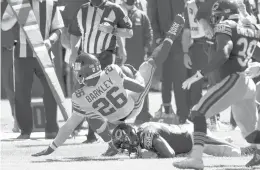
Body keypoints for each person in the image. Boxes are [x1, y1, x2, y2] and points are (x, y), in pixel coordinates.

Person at [31, 14, 185, 157]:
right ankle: (171, 36)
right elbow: (138, 87)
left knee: (91, 117)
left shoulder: (80, 97)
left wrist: (51, 148)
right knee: (149, 63)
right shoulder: (111, 71)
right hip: (132, 105)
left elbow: (68, 126)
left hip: (115, 118)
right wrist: (134, 75)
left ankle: (112, 145)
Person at [173, 0, 260, 170]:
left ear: (225, 14)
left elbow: (224, 53)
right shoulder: (251, 29)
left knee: (198, 113)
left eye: (217, 16)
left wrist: (199, 75)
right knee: (250, 133)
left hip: (233, 80)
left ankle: (196, 159)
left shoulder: (226, 26)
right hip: (246, 83)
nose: (215, 21)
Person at [68, 0, 133, 143]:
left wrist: (114, 31)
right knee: (80, 92)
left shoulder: (115, 9)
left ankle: (93, 134)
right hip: (84, 57)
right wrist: (73, 51)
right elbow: (74, 32)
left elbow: (129, 32)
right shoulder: (82, 9)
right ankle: (78, 128)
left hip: (104, 56)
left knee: (98, 93)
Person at [1, 0, 64, 139]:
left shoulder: (50, 4)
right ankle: (25, 131)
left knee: (50, 92)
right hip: (22, 55)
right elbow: (4, 25)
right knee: (22, 94)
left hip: (45, 54)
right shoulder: (17, 3)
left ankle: (52, 129)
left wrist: (50, 41)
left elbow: (58, 29)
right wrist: (17, 15)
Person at [111, 122, 255, 158]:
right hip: (187, 137)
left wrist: (150, 155)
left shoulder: (146, 135)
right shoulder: (142, 131)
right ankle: (224, 139)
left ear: (131, 133)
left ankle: (250, 149)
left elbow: (170, 154)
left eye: (124, 142)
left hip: (194, 138)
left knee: (235, 153)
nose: (126, 147)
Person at [147, 0, 188, 124]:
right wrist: (159, 37)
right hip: (164, 42)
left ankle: (182, 114)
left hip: (180, 44)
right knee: (166, 79)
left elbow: (186, 15)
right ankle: (167, 111)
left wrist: (184, 40)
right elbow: (152, 19)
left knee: (180, 79)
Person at [120, 0, 153, 125]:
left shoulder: (141, 15)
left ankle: (144, 114)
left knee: (141, 85)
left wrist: (146, 50)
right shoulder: (117, 12)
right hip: (122, 58)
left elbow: (148, 34)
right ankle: (121, 117)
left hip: (138, 57)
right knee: (121, 87)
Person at [1, 1, 19, 132]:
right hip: (3, 50)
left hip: (14, 47)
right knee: (8, 86)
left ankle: (20, 121)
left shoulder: (15, 2)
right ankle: (17, 120)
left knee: (16, 86)